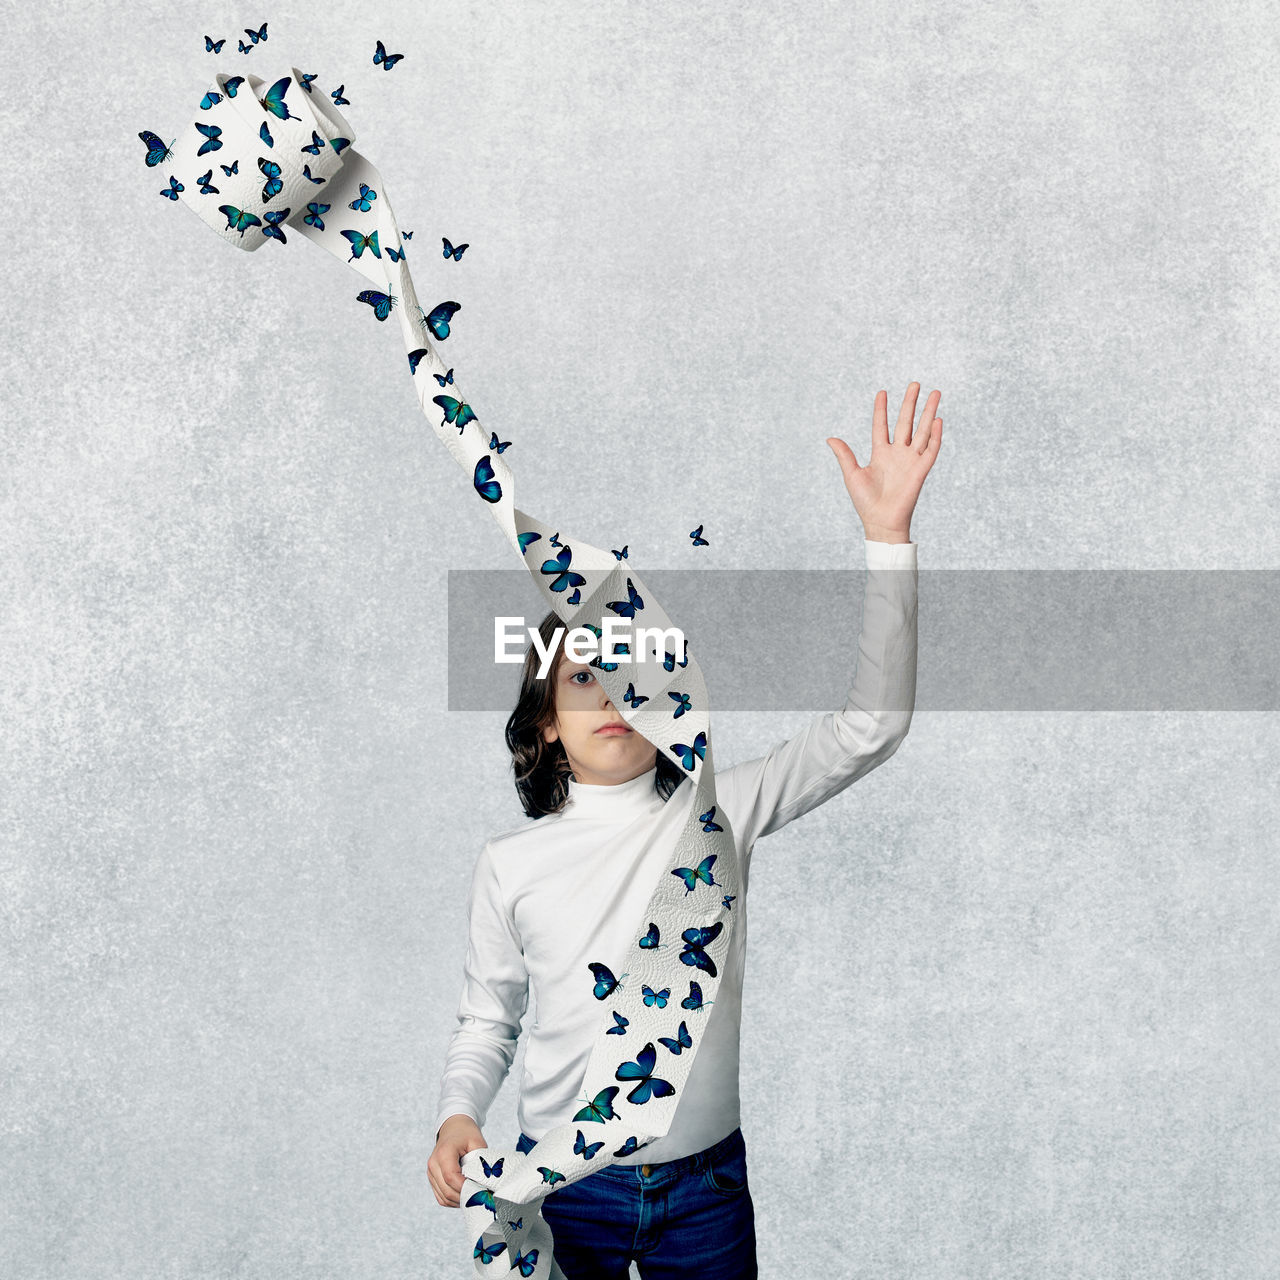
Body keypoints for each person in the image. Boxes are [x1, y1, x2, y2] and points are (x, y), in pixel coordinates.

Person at [427, 384, 942, 1277]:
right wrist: (457, 1111)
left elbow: (871, 727)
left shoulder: (723, 812)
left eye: (629, 677)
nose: (613, 700)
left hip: (705, 1193)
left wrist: (888, 541)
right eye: (584, 681)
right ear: (545, 717)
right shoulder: (511, 866)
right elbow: (488, 1018)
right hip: (560, 1186)